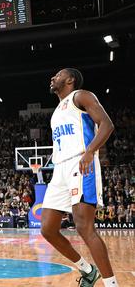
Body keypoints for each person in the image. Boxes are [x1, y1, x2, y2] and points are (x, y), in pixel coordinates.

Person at [41, 68, 118, 287]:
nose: (53, 77)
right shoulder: (56, 111)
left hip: (81, 162)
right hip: (60, 169)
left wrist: (90, 151)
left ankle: (112, 284)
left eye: (58, 75)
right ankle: (87, 270)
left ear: (70, 80)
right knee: (47, 228)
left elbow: (107, 124)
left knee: (84, 226)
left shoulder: (81, 96)